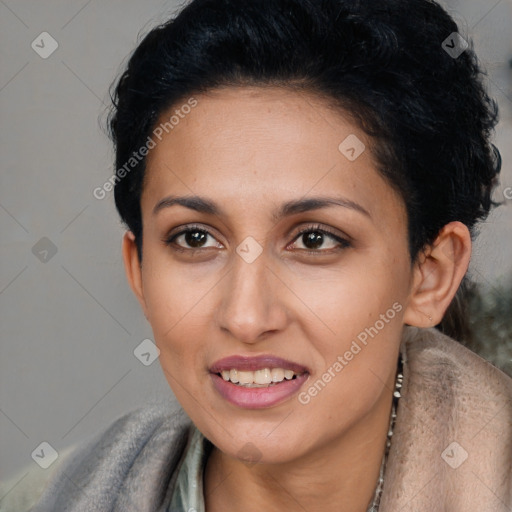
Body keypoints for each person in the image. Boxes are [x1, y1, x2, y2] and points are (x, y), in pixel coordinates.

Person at [3, 0, 511, 510]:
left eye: (315, 239)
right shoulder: (45, 499)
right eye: (195, 238)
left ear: (429, 276)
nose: (246, 317)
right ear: (139, 272)